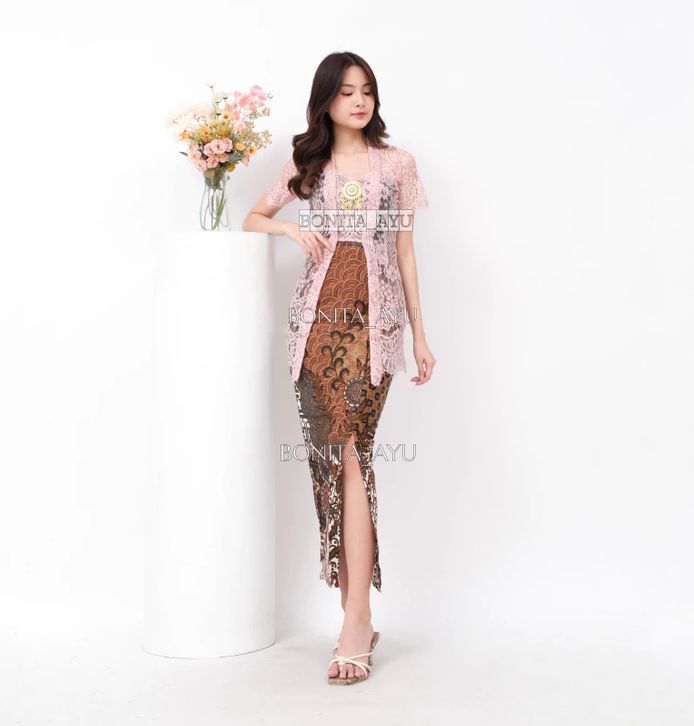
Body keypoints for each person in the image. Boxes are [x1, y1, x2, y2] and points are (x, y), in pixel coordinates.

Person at [242, 51, 436, 685]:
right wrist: (289, 233)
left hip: (374, 328)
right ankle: (357, 615)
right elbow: (252, 217)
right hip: (315, 328)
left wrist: (419, 333)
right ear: (325, 99)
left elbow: (404, 250)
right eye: (347, 91)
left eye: (367, 90)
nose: (359, 101)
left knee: (354, 455)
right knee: (334, 463)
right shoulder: (309, 163)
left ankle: (356, 620)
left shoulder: (397, 165)